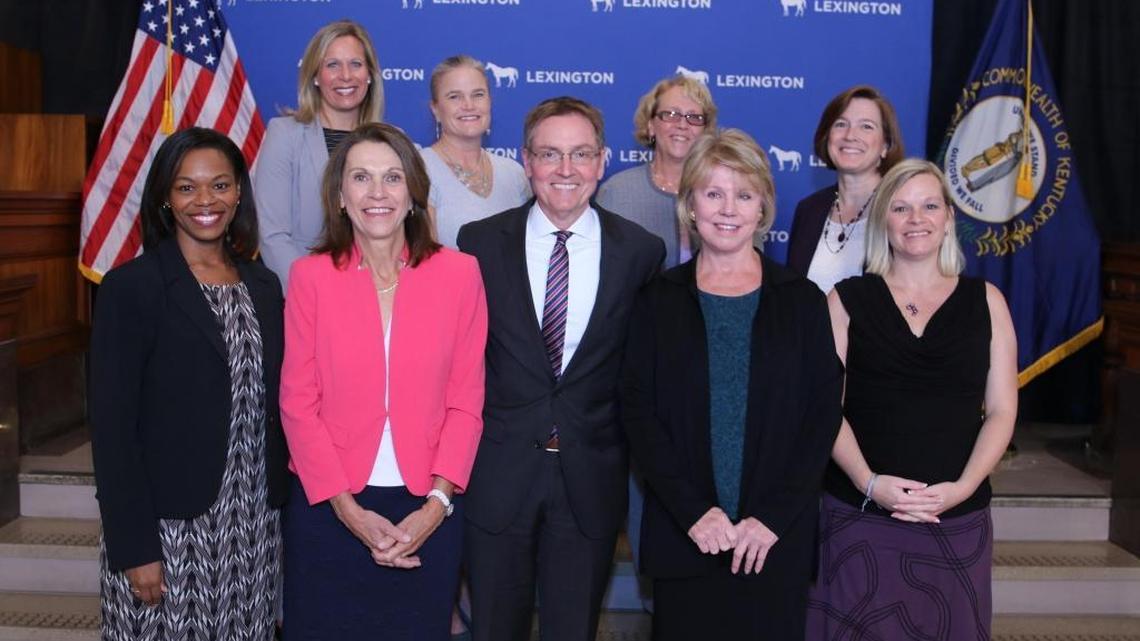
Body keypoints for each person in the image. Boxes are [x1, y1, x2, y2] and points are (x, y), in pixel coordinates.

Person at [620, 128, 843, 640]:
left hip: (772, 541)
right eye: (713, 192)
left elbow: (821, 413)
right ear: (690, 203)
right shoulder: (657, 299)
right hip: (687, 536)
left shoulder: (802, 300)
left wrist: (771, 517)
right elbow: (638, 411)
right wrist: (694, 513)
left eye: (744, 195)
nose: (728, 208)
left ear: (763, 207)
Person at [457, 96, 665, 641]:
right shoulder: (478, 244)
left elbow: (642, 374)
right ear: (526, 161)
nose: (566, 171)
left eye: (580, 155)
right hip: (497, 477)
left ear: (602, 161)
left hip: (590, 480)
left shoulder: (641, 252)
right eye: (550, 154)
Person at [279, 122, 487, 641]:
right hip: (330, 503)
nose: (377, 193)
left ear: (413, 194)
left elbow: (467, 402)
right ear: (341, 196)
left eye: (392, 178)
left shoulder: (460, 275)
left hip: (428, 506)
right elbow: (297, 404)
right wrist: (348, 511)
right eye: (362, 178)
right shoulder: (311, 277)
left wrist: (436, 507)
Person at [89, 127, 289, 641]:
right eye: (187, 187)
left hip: (253, 529)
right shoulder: (131, 288)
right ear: (164, 198)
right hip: (169, 533)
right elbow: (114, 433)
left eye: (220, 185)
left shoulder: (264, 286)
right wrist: (135, 548)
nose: (206, 200)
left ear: (239, 192)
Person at [805, 159, 1018, 640]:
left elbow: (1003, 411)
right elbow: (824, 408)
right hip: (859, 517)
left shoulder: (988, 301)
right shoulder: (844, 300)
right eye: (900, 208)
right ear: (883, 221)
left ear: (947, 218)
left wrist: (962, 487)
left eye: (928, 205)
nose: (915, 218)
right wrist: (868, 482)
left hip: (955, 521)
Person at [256, 19, 383, 291]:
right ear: (315, 75)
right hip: (306, 295)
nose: (345, 75)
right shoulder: (284, 135)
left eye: (356, 64)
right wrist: (316, 295)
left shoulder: (391, 141)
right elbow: (273, 236)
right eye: (332, 65)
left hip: (377, 297)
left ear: (370, 74)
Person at [785, 85, 904, 294]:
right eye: (841, 124)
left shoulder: (902, 209)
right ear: (826, 136)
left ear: (885, 145)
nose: (850, 135)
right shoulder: (808, 210)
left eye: (866, 126)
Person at [597, 75, 717, 266]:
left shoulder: (725, 191)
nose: (682, 125)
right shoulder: (616, 191)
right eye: (671, 115)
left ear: (705, 131)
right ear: (651, 126)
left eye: (694, 117)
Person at [422, 54, 530, 249]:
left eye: (478, 94)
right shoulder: (419, 169)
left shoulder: (514, 174)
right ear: (435, 109)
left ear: (490, 102)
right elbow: (423, 261)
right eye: (455, 97)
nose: (469, 105)